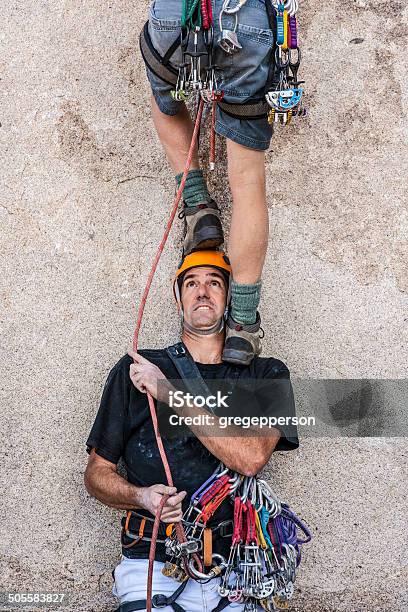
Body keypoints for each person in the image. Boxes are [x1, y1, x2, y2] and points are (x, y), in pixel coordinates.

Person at [84, 251, 299, 611]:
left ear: (229, 298)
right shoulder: (134, 371)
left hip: (239, 567)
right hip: (150, 562)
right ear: (178, 297)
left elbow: (250, 460)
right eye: (191, 283)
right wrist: (141, 498)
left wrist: (167, 392)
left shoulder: (266, 376)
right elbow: (96, 474)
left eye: (214, 283)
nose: (202, 292)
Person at [142, 0, 278, 365]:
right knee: (247, 180)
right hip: (244, 21)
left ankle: (198, 204)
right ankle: (242, 327)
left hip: (176, 13)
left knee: (166, 91)